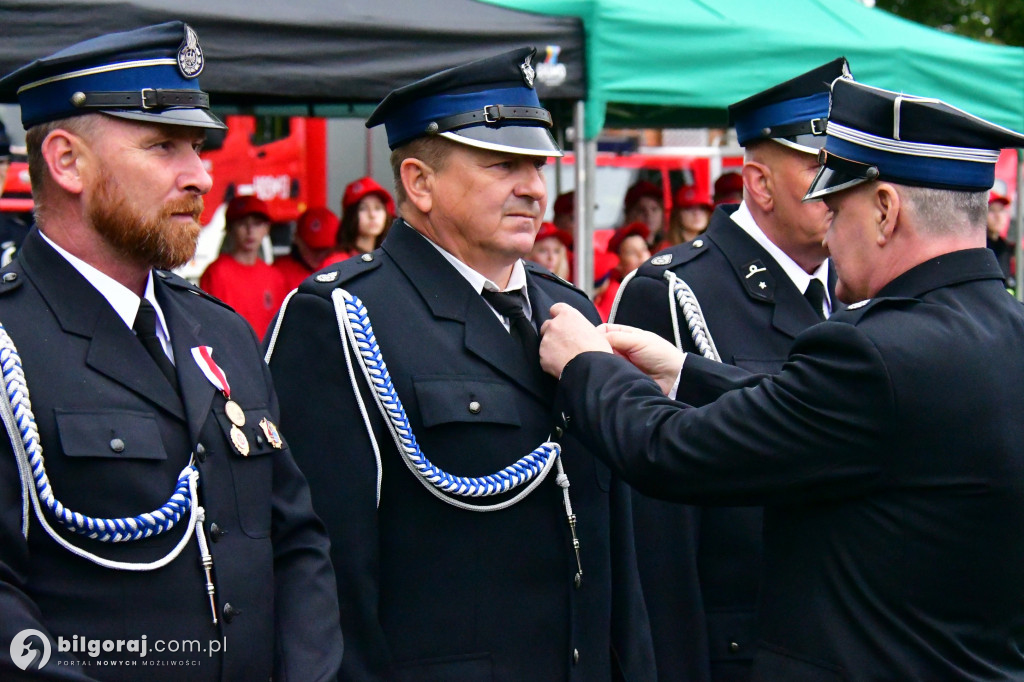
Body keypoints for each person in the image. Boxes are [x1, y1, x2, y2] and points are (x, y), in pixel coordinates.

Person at [540, 77, 1024, 681]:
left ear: (884, 211)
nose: (828, 226)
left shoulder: (873, 349)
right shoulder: (1003, 331)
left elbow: (673, 452)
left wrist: (588, 365)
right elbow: (850, 425)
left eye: (836, 204)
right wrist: (685, 372)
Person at [264, 47, 655, 681]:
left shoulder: (567, 308)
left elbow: (613, 544)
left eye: (537, 164)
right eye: (504, 165)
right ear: (419, 182)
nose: (534, 186)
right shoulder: (342, 315)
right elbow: (324, 568)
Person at [0, 22, 342, 681]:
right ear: (66, 161)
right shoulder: (12, 340)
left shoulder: (220, 332)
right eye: (163, 147)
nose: (201, 175)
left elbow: (297, 541)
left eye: (197, 147)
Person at [608, 57, 849, 682]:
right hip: (741, 648)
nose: (843, 184)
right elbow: (658, 528)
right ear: (760, 185)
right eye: (824, 166)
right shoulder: (675, 290)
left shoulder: (859, 286)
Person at [199, 195, 286, 340]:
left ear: (267, 229)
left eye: (257, 224)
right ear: (229, 229)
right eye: (242, 223)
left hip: (265, 359)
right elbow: (208, 324)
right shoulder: (216, 273)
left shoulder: (275, 277)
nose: (250, 231)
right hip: (230, 357)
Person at [328, 175, 395, 263]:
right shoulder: (337, 262)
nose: (372, 215)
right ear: (351, 215)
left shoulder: (390, 260)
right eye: (363, 208)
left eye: (378, 208)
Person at [594, 221, 650, 322]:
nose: (642, 257)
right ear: (618, 262)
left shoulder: (658, 285)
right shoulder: (615, 294)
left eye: (644, 249)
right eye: (632, 252)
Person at [274, 205, 339, 290]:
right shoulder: (280, 272)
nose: (320, 255)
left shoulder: (342, 267)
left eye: (325, 249)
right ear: (297, 239)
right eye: (314, 249)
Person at [623, 179, 665, 245]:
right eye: (641, 210)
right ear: (629, 215)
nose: (649, 215)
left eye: (654, 209)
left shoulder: (668, 246)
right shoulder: (623, 248)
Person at [986, 189, 1014, 287]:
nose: (998, 216)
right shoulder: (980, 246)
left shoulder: (1004, 246)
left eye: (1001, 210)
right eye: (992, 210)